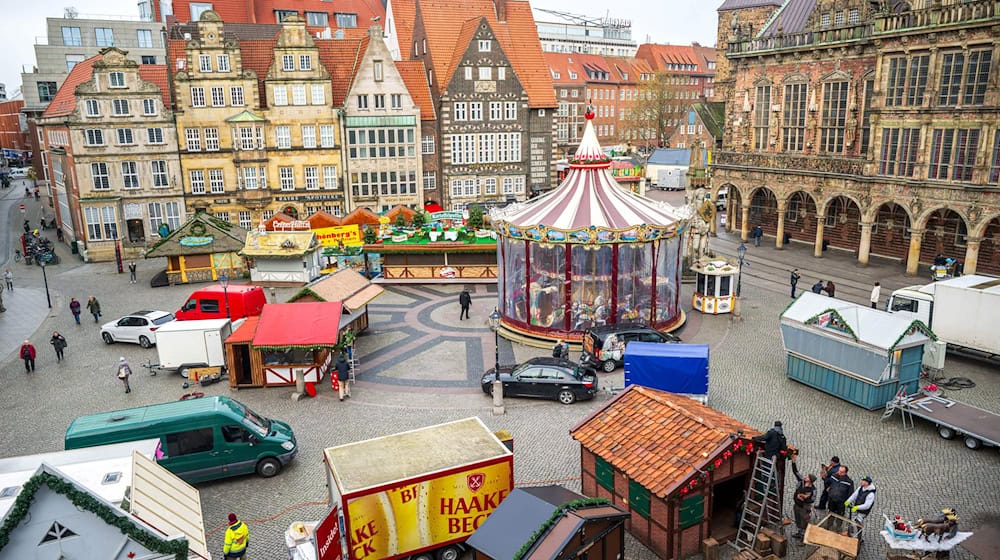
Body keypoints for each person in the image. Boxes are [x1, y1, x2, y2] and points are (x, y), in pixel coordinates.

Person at [790, 454, 816, 539]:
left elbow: (812, 499)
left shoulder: (813, 489)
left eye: (807, 477)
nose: (805, 477)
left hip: (805, 507)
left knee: (804, 521)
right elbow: (796, 472)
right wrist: (793, 462)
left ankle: (804, 536)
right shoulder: (801, 481)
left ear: (810, 480)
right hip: (797, 505)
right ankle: (799, 532)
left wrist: (804, 498)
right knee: (797, 519)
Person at [826, 465, 855, 532]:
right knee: (830, 513)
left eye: (841, 472)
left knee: (840, 515)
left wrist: (847, 502)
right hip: (832, 500)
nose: (839, 473)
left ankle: (838, 528)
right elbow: (828, 483)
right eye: (839, 471)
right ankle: (828, 526)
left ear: (845, 473)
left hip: (841, 502)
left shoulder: (849, 482)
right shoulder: (833, 476)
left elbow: (850, 493)